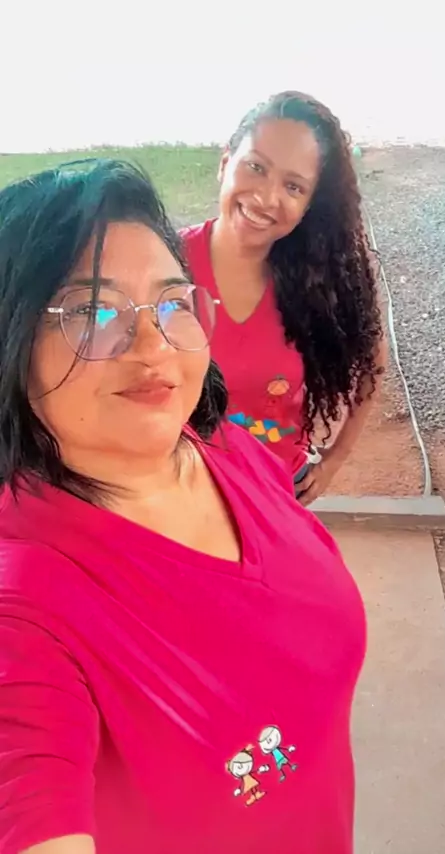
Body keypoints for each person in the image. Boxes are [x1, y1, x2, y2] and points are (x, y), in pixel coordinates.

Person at [0, 159, 366, 854]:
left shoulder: (224, 447)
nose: (154, 345)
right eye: (93, 312)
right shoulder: (25, 602)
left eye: (173, 304)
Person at [181, 90, 388, 505]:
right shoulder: (165, 264)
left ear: (309, 204)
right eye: (256, 167)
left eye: (293, 186)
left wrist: (336, 458)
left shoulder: (317, 283)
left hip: (278, 491)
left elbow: (372, 361)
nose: (266, 197)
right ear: (225, 163)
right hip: (181, 495)